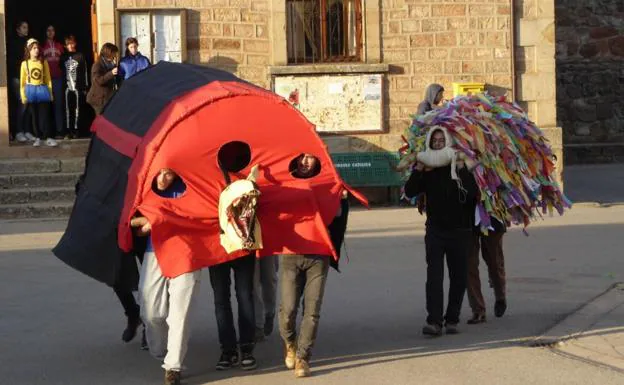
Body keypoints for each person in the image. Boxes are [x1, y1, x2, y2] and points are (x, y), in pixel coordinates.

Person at [404, 128, 478, 336]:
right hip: (436, 230)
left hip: (460, 230)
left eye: (441, 140)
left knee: (459, 277)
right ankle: (434, 321)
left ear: (447, 141)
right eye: (434, 140)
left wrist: (462, 169)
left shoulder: (458, 164)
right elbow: (410, 191)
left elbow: (472, 194)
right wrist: (418, 169)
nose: (437, 143)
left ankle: (452, 319)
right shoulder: (427, 168)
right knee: (434, 277)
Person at [133, 168, 202, 385]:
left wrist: (166, 219)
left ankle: (173, 366)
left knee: (180, 314)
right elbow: (133, 224)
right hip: (155, 251)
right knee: (151, 311)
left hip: (187, 252)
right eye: (160, 173)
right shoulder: (143, 188)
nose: (163, 179)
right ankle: (160, 348)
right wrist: (153, 221)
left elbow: (203, 212)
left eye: (169, 174)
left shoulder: (191, 186)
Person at [279, 153, 342, 378]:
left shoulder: (327, 181)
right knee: (288, 310)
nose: (306, 162)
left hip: (318, 254)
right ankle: (290, 343)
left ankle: (303, 358)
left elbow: (336, 214)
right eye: (302, 157)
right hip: (290, 254)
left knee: (312, 310)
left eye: (311, 157)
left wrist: (337, 195)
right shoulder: (283, 179)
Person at [209, 253, 258, 371]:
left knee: (245, 296)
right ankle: (228, 350)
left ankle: (247, 348)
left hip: (242, 244)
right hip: (216, 246)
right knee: (221, 299)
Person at [466, 219, 508, 324]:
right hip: (465, 213)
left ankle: (500, 296)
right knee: (468, 264)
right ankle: (478, 309)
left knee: (494, 260)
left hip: (489, 213)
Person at [20, 38, 57, 147]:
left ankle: (48, 137)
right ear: (29, 50)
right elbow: (22, 81)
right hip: (31, 89)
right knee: (34, 115)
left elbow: (48, 79)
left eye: (37, 48)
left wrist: (50, 93)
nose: (36, 50)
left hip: (42, 89)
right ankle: (38, 137)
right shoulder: (24, 64)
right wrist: (23, 96)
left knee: (45, 114)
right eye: (33, 48)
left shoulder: (43, 62)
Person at [60, 35, 89, 138]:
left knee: (78, 109)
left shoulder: (80, 56)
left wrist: (85, 86)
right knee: (67, 109)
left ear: (75, 44)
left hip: (78, 87)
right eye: (68, 44)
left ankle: (76, 130)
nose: (70, 46)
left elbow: (85, 71)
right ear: (65, 45)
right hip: (66, 87)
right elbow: (61, 72)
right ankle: (68, 130)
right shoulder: (63, 57)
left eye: (72, 43)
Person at [9, 21, 31, 143]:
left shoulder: (27, 43)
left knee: (28, 105)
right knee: (22, 103)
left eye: (27, 27)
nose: (26, 29)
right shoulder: (13, 43)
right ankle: (18, 131)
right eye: (24, 27)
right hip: (17, 77)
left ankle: (26, 130)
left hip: (28, 78)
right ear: (18, 30)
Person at [42, 25, 65, 138]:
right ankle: (46, 132)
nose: (50, 32)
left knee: (58, 105)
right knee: (45, 106)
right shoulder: (41, 47)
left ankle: (59, 131)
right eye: (48, 30)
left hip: (58, 79)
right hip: (45, 80)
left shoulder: (60, 46)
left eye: (52, 30)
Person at [87, 43, 119, 115]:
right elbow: (98, 81)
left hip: (107, 98)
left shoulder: (112, 64)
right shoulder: (97, 65)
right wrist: (111, 73)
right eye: (114, 53)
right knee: (100, 121)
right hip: (98, 100)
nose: (115, 55)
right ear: (108, 53)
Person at [253, 255, 278, 342]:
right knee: (253, 284)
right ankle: (258, 325)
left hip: (268, 245)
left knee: (269, 279)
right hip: (251, 246)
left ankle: (269, 313)